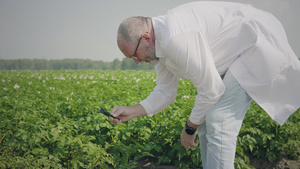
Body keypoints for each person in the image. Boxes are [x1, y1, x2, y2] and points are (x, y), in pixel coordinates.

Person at [110, 1, 300, 168]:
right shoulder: (158, 47)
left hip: (254, 43)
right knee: (207, 123)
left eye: (134, 55)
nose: (136, 61)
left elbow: (211, 90)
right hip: (237, 52)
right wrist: (132, 111)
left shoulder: (174, 37)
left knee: (219, 119)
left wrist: (189, 129)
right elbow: (165, 91)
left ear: (145, 38)